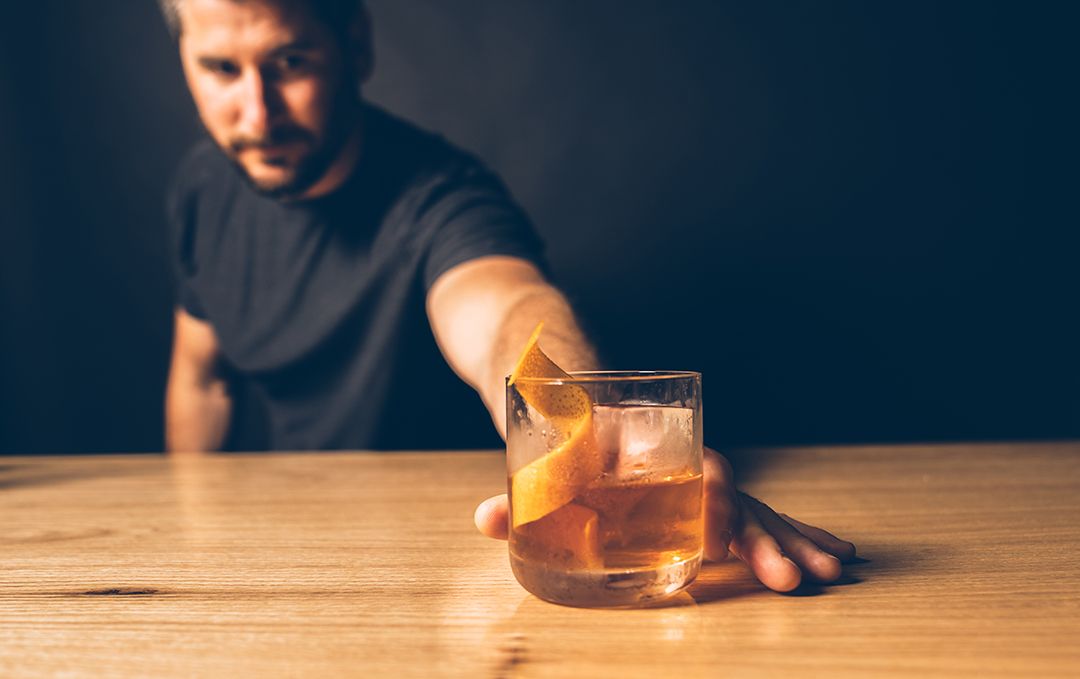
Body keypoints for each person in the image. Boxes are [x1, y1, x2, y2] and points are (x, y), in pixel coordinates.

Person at [161, 0, 856, 593]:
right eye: (221, 69)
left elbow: (505, 313)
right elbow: (203, 379)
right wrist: (189, 529)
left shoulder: (442, 194)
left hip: (430, 568)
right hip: (283, 551)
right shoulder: (201, 187)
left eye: (289, 62)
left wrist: (587, 435)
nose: (256, 110)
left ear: (355, 46)